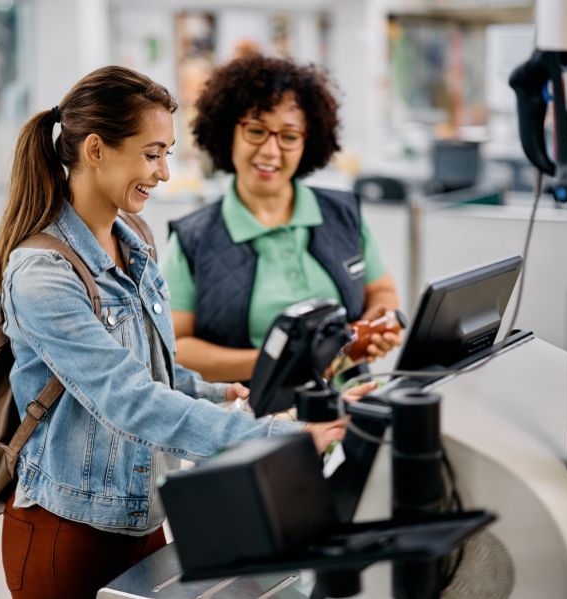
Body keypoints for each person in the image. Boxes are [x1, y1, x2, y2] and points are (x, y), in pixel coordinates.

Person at [0, 65, 357, 599]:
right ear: (95, 149)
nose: (163, 173)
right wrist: (278, 438)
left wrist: (212, 392)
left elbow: (152, 368)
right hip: (66, 531)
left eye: (167, 153)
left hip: (145, 518)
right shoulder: (42, 273)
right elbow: (129, 399)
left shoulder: (133, 236)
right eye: (152, 152)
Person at [162, 53, 402, 383]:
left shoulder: (343, 215)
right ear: (227, 131)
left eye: (289, 136)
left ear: (309, 140)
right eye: (256, 131)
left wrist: (376, 326)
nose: (271, 151)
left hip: (351, 411)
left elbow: (383, 292)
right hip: (252, 422)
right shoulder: (193, 240)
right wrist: (279, 361)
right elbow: (176, 348)